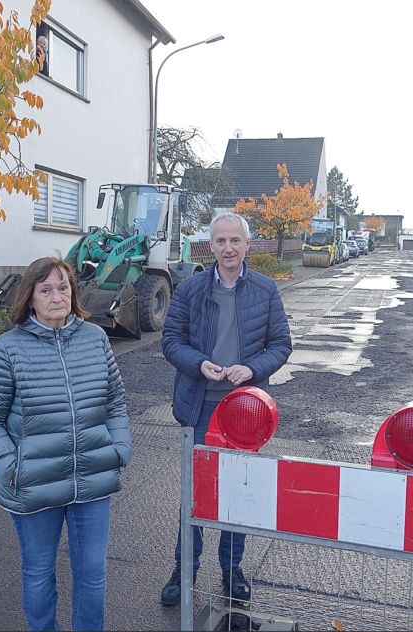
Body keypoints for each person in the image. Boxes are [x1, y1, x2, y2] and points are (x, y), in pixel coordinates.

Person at [0, 256, 132, 631]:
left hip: (92, 480)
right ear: (30, 298)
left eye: (63, 288)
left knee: (92, 574)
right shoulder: (6, 350)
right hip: (34, 484)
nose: (56, 297)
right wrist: (11, 468)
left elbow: (115, 402)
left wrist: (118, 449)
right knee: (39, 573)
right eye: (46, 290)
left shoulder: (94, 339)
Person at [159, 212, 292, 607]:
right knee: (196, 493)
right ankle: (185, 569)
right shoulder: (190, 289)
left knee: (238, 492)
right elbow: (170, 340)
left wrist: (252, 369)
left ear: (247, 245)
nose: (228, 248)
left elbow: (281, 345)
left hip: (245, 411)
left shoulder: (266, 291)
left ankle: (231, 568)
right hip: (200, 406)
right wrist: (198, 363)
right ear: (211, 246)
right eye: (221, 241)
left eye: (236, 240)